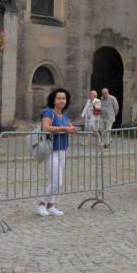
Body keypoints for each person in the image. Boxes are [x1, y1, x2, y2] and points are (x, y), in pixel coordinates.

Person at [38, 88, 78, 216]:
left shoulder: (64, 114)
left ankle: (51, 205)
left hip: (62, 150)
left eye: (64, 98)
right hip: (51, 151)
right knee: (57, 181)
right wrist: (64, 128)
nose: (62, 101)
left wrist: (72, 129)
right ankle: (41, 204)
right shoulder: (49, 112)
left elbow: (69, 125)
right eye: (59, 98)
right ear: (54, 100)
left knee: (55, 181)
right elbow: (46, 128)